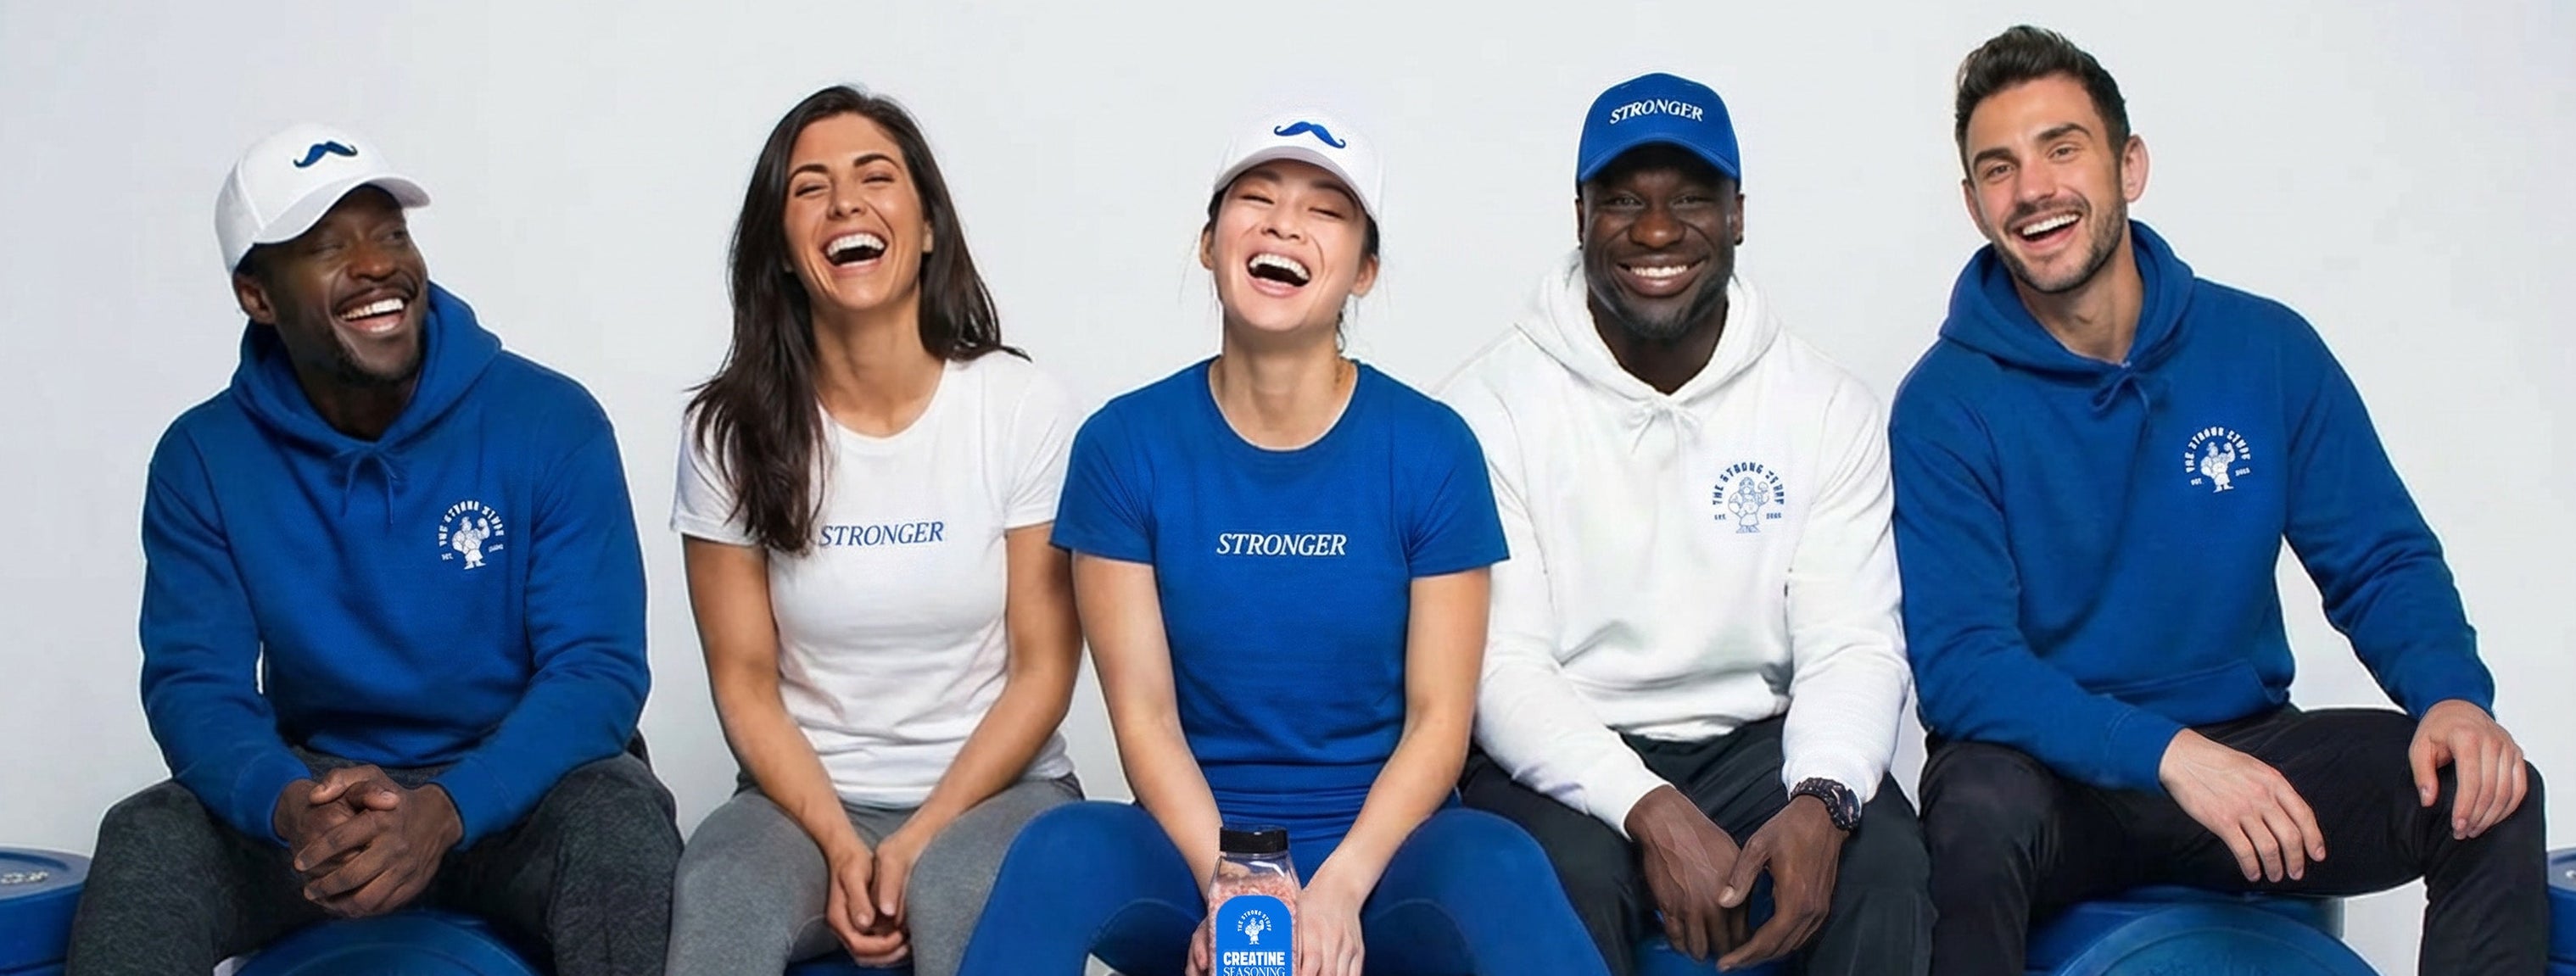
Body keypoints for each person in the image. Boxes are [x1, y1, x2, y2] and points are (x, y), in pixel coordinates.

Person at [1891, 26, 2548, 976]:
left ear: (2130, 164)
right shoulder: (1945, 403)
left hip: (2243, 748)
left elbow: (2380, 558)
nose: (2033, 188)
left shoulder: (2264, 349)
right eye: (2000, 168)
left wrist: (2450, 694)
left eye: (2062, 147)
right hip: (2050, 775)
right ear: (1973, 202)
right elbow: (1963, 665)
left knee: (2492, 789)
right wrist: (2171, 755)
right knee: (1973, 817)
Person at [959, 110, 1605, 976]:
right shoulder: (1124, 445)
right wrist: (1236, 882)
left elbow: (1439, 720)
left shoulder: (1432, 447)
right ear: (1208, 243)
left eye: (1326, 212)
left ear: (1364, 271)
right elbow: (1145, 716)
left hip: (1384, 860)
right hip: (1195, 853)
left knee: (1501, 859)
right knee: (1058, 849)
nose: (1283, 224)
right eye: (1255, 199)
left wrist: (1336, 889)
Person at [66, 124, 678, 975]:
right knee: (148, 838)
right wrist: (292, 807)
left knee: (618, 822)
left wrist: (447, 808)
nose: (377, 263)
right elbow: (194, 683)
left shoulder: (550, 421)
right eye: (328, 247)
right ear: (258, 296)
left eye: (391, 233)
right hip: (324, 798)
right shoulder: (203, 457)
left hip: (519, 787)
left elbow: (597, 671)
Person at [1444, 72, 1931, 975]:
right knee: (1554, 878)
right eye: (1624, 198)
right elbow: (1501, 666)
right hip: (1563, 749)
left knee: (1886, 863)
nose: (1658, 231)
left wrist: (1825, 795)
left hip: (1756, 740)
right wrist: (1650, 806)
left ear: (1739, 214)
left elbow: (1853, 643)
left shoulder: (1824, 407)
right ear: (1580, 213)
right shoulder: (1485, 410)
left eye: (1690, 199)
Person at [664, 86, 1083, 976]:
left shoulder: (1018, 405)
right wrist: (839, 842)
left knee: (961, 889)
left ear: (927, 226)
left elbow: (1046, 667)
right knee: (720, 892)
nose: (845, 203)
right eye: (809, 188)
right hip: (802, 798)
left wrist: (920, 836)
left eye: (875, 177)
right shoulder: (727, 430)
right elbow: (742, 678)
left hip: (1000, 793)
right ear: (781, 248)